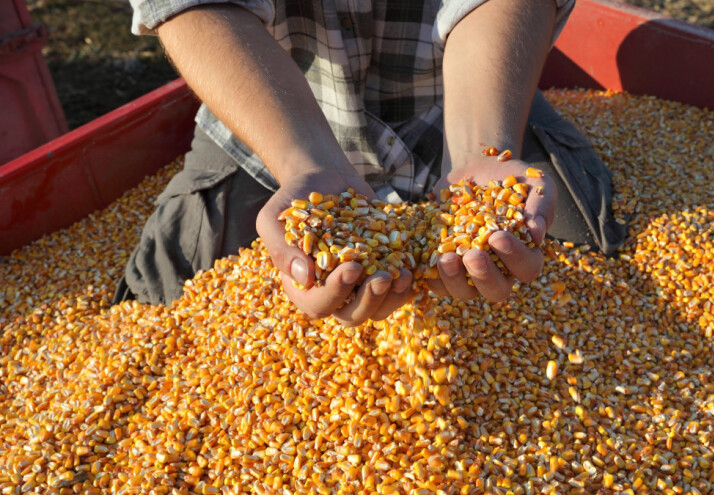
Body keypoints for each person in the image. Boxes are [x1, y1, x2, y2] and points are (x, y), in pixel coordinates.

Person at [115, 0, 626, 325]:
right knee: (161, 303)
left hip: (467, 95)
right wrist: (303, 164)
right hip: (268, 112)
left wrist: (483, 148)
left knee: (583, 260)